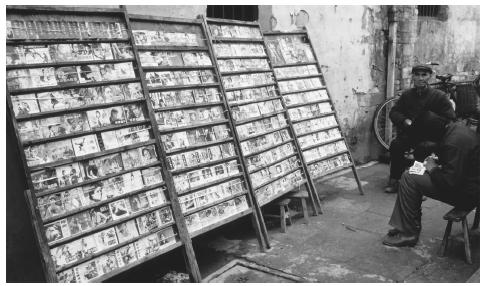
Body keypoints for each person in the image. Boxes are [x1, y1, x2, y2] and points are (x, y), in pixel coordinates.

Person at [383, 111, 479, 247]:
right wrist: (437, 161)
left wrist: (433, 168)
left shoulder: (453, 142)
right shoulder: (455, 129)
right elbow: (458, 164)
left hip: (469, 195)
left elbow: (449, 183)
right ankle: (406, 224)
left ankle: (409, 233)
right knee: (412, 174)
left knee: (409, 178)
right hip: (470, 185)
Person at [384, 64, 456, 193]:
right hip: (411, 133)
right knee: (396, 145)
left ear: (429, 77)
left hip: (430, 136)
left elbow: (449, 118)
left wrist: (432, 121)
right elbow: (394, 112)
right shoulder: (407, 95)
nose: (420, 78)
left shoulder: (439, 96)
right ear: (413, 77)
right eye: (417, 75)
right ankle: (395, 179)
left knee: (424, 148)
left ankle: (416, 183)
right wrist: (404, 120)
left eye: (424, 75)